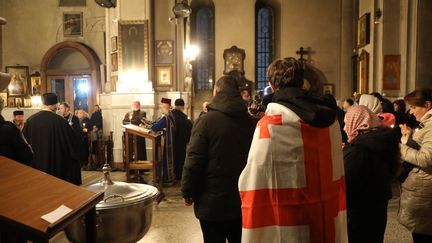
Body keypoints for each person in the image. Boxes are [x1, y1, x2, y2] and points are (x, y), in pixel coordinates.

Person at [238, 57, 347, 243]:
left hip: (288, 218)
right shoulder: (331, 121)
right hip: (323, 213)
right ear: (302, 82)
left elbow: (255, 176)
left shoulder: (270, 125)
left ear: (272, 86)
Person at [181, 75, 255, 243]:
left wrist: (187, 190)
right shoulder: (252, 123)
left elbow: (194, 160)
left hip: (212, 204)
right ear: (238, 93)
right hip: (242, 200)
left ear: (216, 91)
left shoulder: (205, 121)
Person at [343, 105, 399, 243]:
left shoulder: (359, 151)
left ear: (359, 122)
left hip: (360, 213)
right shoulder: (381, 141)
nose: (345, 128)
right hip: (377, 207)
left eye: (347, 122)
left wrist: (346, 154)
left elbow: (347, 186)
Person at [23, 93, 81, 185]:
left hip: (37, 166)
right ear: (55, 105)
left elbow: (24, 144)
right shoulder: (61, 122)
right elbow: (72, 143)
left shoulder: (30, 121)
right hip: (57, 168)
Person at [398, 88, 432, 243]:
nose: (411, 112)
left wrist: (400, 148)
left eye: (413, 107)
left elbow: (426, 158)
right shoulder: (427, 124)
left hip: (425, 190)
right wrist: (408, 137)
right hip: (423, 188)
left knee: (422, 234)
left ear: (427, 105)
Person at [149, 98, 176, 183]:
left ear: (165, 106)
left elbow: (156, 127)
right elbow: (156, 123)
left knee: (165, 160)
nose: (160, 106)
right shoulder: (169, 115)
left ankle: (166, 178)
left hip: (168, 141)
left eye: (162, 105)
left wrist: (150, 126)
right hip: (168, 140)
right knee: (164, 160)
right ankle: (165, 177)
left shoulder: (167, 117)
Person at [0, 96, 33, 164]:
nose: (20, 119)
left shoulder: (26, 125)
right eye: (18, 117)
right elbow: (27, 155)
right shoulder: (10, 128)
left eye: (22, 117)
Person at [171, 98, 193, 180]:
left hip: (171, 142)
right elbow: (189, 129)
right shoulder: (184, 117)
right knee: (180, 158)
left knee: (172, 158)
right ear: (182, 106)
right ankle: (179, 175)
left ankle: (172, 175)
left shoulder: (170, 115)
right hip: (180, 142)